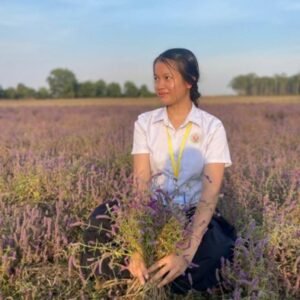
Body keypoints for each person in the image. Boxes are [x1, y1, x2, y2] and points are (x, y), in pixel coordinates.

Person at [81, 48, 237, 296]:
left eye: (168, 77)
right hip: (152, 209)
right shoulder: (145, 123)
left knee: (217, 250)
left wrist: (185, 255)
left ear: (190, 80)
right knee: (100, 220)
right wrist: (136, 246)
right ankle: (145, 272)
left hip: (191, 213)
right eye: (156, 78)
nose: (159, 85)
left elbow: (209, 196)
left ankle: (159, 275)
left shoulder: (212, 127)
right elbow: (141, 186)